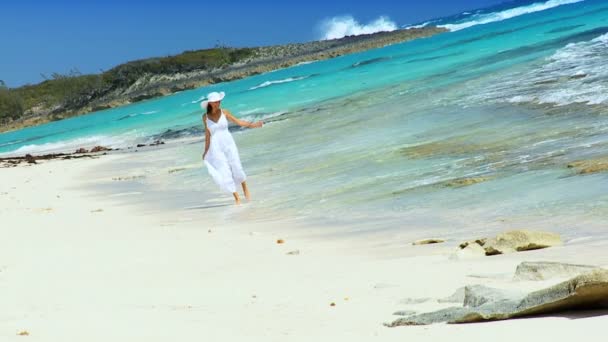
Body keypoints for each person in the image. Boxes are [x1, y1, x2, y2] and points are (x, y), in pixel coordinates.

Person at [201, 91, 263, 204]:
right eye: (215, 102)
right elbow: (207, 133)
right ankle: (237, 198)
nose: (218, 103)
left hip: (228, 143)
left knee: (237, 166)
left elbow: (238, 122)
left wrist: (253, 125)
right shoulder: (205, 117)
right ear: (210, 103)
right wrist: (206, 150)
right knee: (224, 170)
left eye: (219, 101)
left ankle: (245, 188)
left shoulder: (224, 112)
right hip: (216, 146)